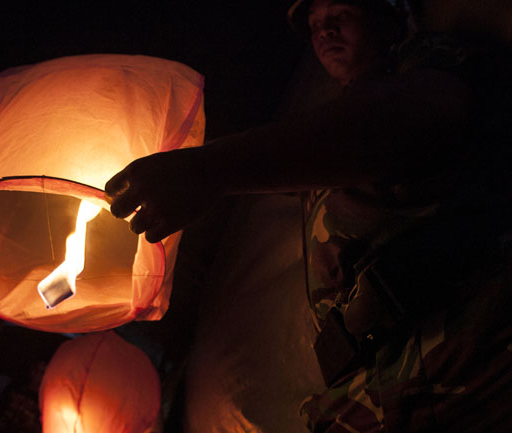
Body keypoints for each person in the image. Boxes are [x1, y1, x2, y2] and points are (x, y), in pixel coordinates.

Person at [107, 0, 512, 431]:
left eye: (341, 14)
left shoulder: (426, 67)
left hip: (457, 358)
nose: (325, 31)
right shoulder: (315, 143)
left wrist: (209, 170)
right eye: (315, 25)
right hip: (378, 385)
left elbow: (410, 119)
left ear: (388, 16)